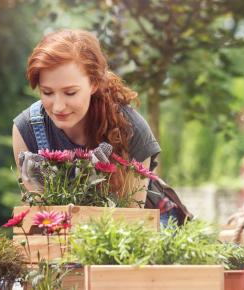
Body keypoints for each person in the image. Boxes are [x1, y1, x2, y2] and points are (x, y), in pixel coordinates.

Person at [12, 29, 161, 207]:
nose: (58, 106)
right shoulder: (26, 129)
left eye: (70, 92)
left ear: (94, 84)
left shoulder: (132, 129)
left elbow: (132, 223)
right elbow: (42, 217)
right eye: (47, 92)